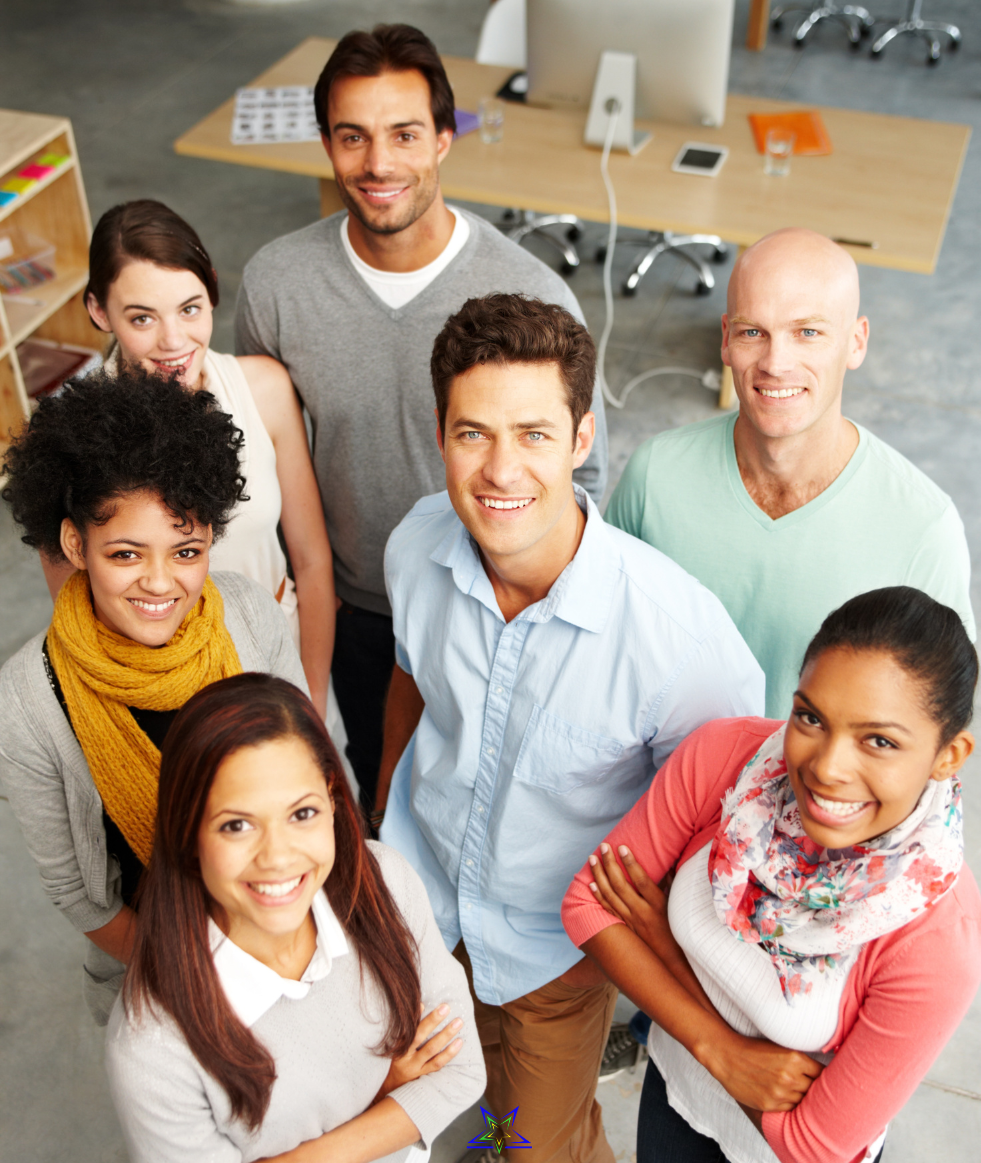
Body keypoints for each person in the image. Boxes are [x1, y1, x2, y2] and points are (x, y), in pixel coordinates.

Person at [379, 294, 764, 1163]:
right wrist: (382, 817)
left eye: (533, 434)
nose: (500, 470)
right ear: (439, 434)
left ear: (582, 439)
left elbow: (718, 835)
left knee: (533, 1149)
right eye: (472, 433)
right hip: (427, 907)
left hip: (557, 952)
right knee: (468, 1117)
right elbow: (409, 677)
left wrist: (628, 956)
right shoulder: (414, 546)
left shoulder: (678, 639)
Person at [234, 23, 609, 809]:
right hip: (347, 614)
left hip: (492, 611)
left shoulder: (532, 294)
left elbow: (586, 474)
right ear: (327, 145)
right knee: (360, 810)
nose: (377, 164)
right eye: (352, 137)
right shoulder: (277, 283)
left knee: (496, 819)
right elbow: (259, 455)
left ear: (444, 138)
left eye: (404, 134)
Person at [563, 586, 980, 1163]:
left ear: (948, 756)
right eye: (810, 717)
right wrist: (717, 1050)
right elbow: (588, 905)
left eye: (878, 741)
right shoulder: (726, 758)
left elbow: (815, 1146)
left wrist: (660, 942)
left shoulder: (938, 938)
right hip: (674, 1094)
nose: (827, 768)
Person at [0, 368, 307, 1025]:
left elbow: (309, 782)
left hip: (301, 941)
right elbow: (84, 900)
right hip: (164, 980)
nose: (160, 583)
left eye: (186, 549)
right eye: (127, 554)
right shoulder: (29, 703)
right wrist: (217, 982)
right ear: (76, 544)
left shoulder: (249, 616)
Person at [105, 673, 485, 1163]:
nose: (278, 858)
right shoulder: (152, 1047)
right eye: (237, 825)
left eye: (301, 813)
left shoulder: (384, 883)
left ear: (331, 798)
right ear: (188, 832)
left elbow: (462, 1072)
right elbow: (432, 1092)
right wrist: (387, 1095)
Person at [606, 227, 975, 719]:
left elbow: (939, 721)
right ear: (726, 340)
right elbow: (601, 649)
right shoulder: (655, 476)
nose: (776, 363)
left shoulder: (922, 528)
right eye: (753, 332)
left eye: (808, 332)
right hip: (665, 783)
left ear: (856, 342)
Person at [73, 199, 338, 729]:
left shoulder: (264, 389)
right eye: (142, 317)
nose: (174, 342)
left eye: (190, 309)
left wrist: (311, 700)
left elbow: (311, 563)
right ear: (99, 311)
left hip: (276, 664)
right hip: (154, 692)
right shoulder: (70, 433)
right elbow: (76, 612)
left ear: (213, 291)